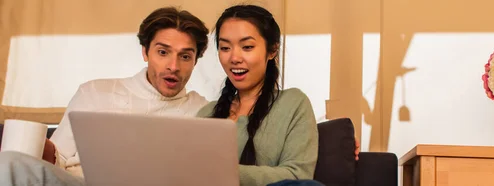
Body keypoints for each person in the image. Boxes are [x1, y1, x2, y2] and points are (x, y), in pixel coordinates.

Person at [0, 6, 210, 185]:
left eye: (185, 56)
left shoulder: (204, 111)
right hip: (78, 182)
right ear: (145, 52)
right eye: (163, 52)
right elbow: (60, 158)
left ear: (195, 61)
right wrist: (34, 145)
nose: (173, 66)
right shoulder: (94, 92)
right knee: (8, 161)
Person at [196, 5, 359, 186]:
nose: (234, 57)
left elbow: (298, 176)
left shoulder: (293, 103)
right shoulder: (206, 113)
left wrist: (222, 172)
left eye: (247, 47)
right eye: (225, 47)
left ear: (272, 50)